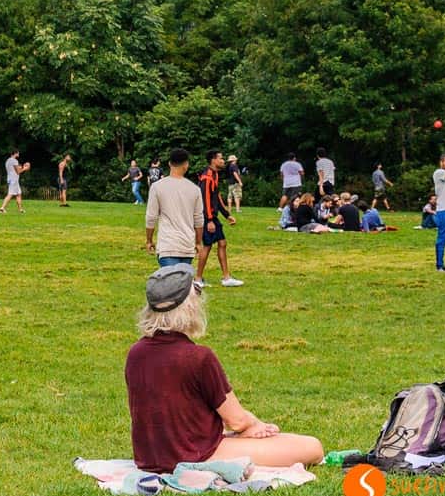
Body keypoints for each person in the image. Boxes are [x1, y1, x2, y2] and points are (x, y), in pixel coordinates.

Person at [125, 264, 324, 473]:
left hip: (151, 457)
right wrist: (255, 426)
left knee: (264, 439)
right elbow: (236, 420)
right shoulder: (197, 357)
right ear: (189, 308)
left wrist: (246, 429)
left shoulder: (135, 353)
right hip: (196, 455)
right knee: (312, 447)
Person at [145, 148, 203, 268]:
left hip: (167, 245)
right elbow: (199, 219)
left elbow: (151, 217)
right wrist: (198, 242)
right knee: (183, 279)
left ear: (169, 164)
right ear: (186, 165)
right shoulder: (194, 189)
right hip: (187, 245)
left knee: (171, 279)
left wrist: (149, 240)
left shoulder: (157, 187)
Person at [196, 150, 242, 288]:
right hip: (207, 217)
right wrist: (209, 220)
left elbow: (217, 197)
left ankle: (226, 277)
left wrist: (227, 215)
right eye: (220, 158)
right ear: (213, 160)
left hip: (212, 216)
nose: (223, 161)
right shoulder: (207, 177)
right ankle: (198, 279)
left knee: (222, 243)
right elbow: (205, 199)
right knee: (207, 246)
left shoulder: (215, 175)